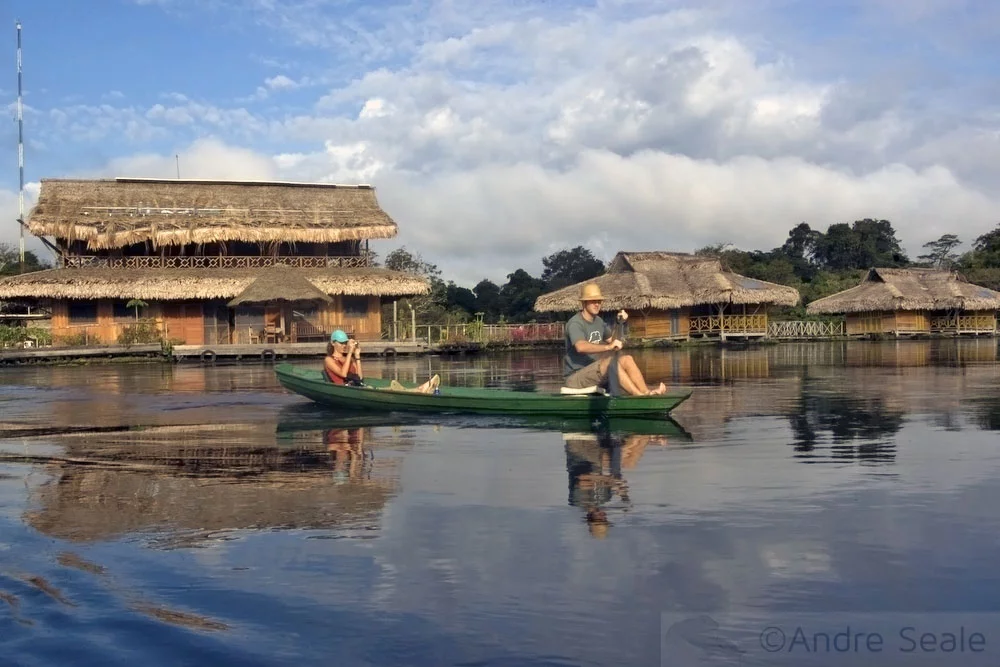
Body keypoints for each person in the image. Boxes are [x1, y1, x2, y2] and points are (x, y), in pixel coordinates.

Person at [563, 283, 666, 396]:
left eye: (599, 301)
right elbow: (580, 347)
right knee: (609, 362)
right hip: (575, 378)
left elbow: (614, 343)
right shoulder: (575, 323)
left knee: (627, 359)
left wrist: (619, 323)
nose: (597, 304)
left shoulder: (598, 321)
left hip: (594, 372)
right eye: (593, 301)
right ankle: (638, 396)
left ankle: (646, 392)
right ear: (584, 303)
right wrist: (607, 347)